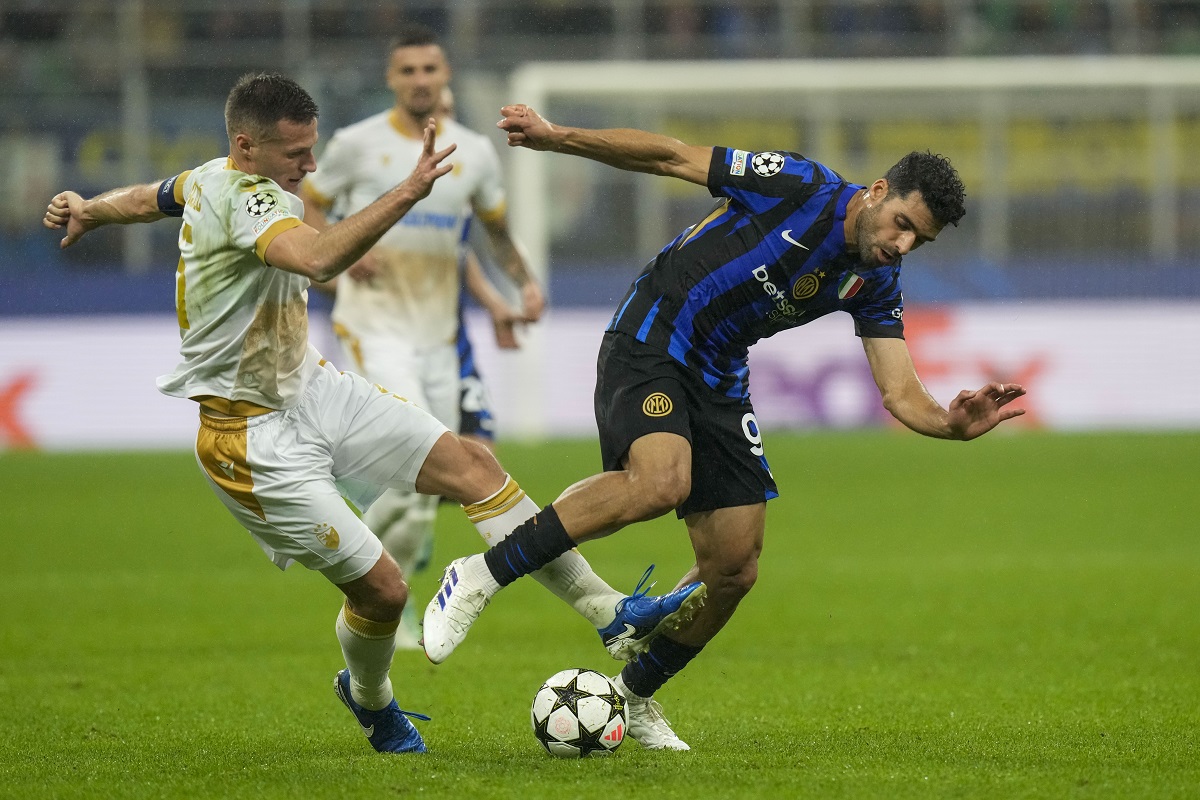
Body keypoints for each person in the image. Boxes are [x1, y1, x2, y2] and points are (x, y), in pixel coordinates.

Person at [40, 75, 698, 756]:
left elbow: (153, 197)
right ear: (246, 146)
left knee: (474, 465)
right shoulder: (246, 199)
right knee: (383, 591)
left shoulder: (207, 177)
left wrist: (92, 207)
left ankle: (608, 613)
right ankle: (372, 700)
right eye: (296, 153)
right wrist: (408, 192)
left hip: (312, 389)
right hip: (250, 439)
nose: (311, 166)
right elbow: (320, 259)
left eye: (312, 148)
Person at [423, 104, 1028, 751]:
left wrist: (951, 424)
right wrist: (557, 137)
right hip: (654, 332)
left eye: (920, 241)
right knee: (660, 481)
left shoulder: (876, 278)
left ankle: (632, 693)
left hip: (717, 374)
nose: (902, 244)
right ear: (878, 192)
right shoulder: (800, 186)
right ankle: (479, 575)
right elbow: (670, 156)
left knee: (734, 568)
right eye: (904, 225)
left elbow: (900, 391)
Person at [298, 27, 551, 646]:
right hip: (372, 326)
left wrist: (523, 282)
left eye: (428, 69)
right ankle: (383, 597)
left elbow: (492, 232)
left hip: (440, 338)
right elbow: (309, 202)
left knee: (424, 487)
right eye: (406, 70)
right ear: (392, 79)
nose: (418, 80)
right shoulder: (357, 144)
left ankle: (378, 586)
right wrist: (337, 252)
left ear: (445, 78)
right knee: (421, 468)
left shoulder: (475, 152)